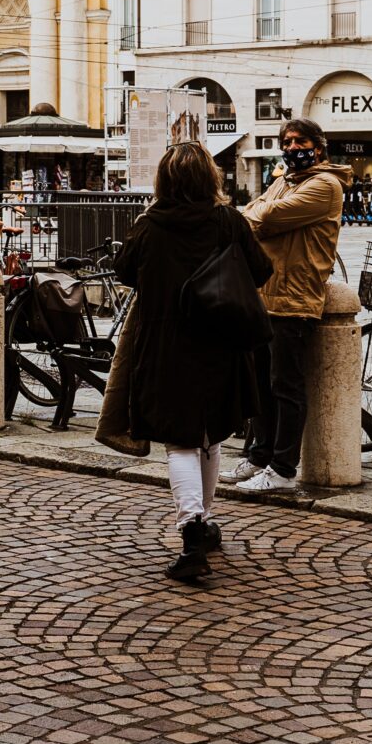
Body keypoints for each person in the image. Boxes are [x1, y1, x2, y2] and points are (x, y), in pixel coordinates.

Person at [99, 140, 271, 586]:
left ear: (164, 180)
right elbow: (261, 270)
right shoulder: (228, 221)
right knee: (210, 435)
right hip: (221, 340)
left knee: (179, 441)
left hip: (165, 343)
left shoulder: (150, 224)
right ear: (209, 179)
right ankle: (203, 522)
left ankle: (193, 530)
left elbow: (124, 272)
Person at [229, 116, 347, 496]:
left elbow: (268, 215)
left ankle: (283, 469)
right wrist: (257, 217)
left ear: (319, 145)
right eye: (288, 142)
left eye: (301, 141)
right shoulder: (283, 180)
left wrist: (257, 217)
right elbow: (252, 212)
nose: (293, 148)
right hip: (265, 293)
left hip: (295, 297)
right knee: (261, 384)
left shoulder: (325, 186)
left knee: (286, 386)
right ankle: (260, 456)